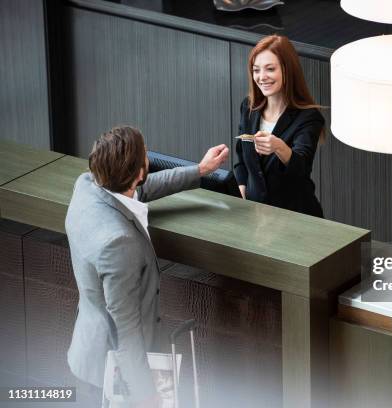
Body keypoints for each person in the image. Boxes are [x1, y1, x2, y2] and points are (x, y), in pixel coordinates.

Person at [65, 126, 228, 407]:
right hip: (115, 373)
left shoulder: (87, 186)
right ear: (140, 171)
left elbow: (139, 191)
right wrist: (144, 395)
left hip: (87, 351)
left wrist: (200, 170)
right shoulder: (119, 243)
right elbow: (126, 329)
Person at [234, 35, 325, 217]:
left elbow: (302, 169)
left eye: (270, 69)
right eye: (256, 70)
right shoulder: (248, 107)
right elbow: (241, 158)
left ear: (287, 70)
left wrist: (279, 147)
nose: (261, 77)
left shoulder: (309, 118)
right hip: (255, 217)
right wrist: (241, 185)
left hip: (296, 218)